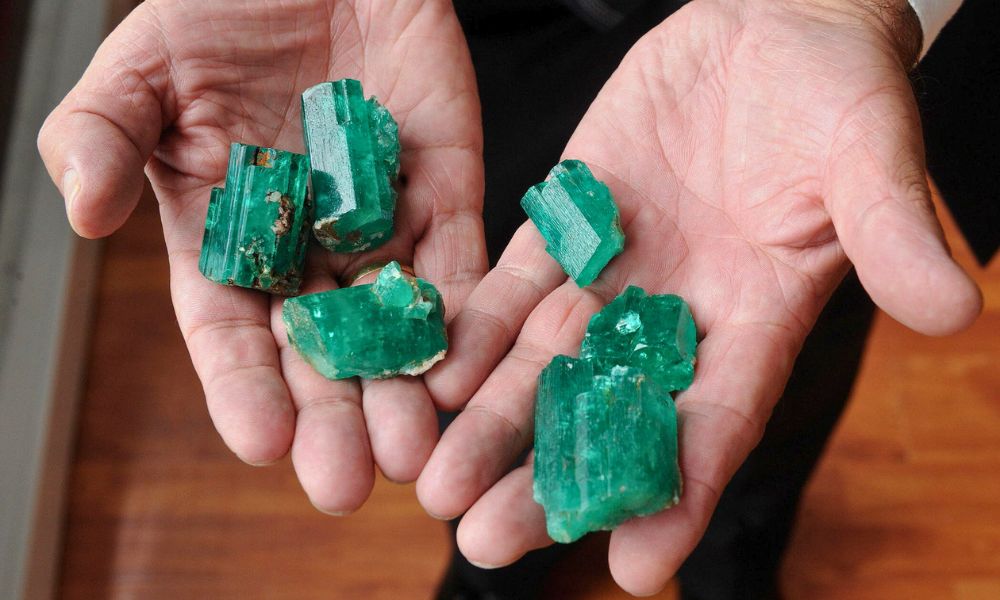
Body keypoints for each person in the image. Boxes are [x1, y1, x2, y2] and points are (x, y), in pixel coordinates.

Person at [37, 0, 985, 598]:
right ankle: (501, 577)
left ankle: (733, 559)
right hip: (461, 48)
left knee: (768, 389)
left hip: (756, 128)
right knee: (490, 384)